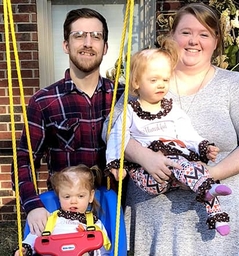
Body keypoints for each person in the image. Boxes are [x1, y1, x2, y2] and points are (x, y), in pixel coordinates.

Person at [105, 3, 239, 255]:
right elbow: (111, 130)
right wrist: (145, 157)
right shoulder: (148, 78)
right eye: (185, 32)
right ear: (172, 37)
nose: (193, 41)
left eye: (204, 34)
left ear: (216, 41)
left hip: (220, 228)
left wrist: (210, 174)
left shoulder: (234, 85)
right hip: (156, 224)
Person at [11, 7, 124, 237]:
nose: (88, 43)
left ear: (105, 47)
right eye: (79, 35)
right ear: (66, 45)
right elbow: (24, 160)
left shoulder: (122, 98)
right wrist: (32, 205)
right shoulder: (44, 102)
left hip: (113, 210)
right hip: (64, 216)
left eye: (96, 36)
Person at [105, 43, 232, 236]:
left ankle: (215, 212)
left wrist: (202, 146)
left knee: (195, 169)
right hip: (149, 176)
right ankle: (205, 189)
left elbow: (186, 132)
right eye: (154, 79)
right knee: (187, 170)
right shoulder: (130, 111)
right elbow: (117, 137)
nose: (161, 84)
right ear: (137, 82)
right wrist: (115, 163)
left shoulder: (171, 109)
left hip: (176, 171)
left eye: (165, 79)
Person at [14, 164, 111, 256]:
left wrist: (89, 249)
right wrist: (25, 248)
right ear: (59, 197)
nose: (73, 201)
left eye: (80, 196)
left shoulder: (94, 224)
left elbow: (104, 249)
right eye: (67, 196)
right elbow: (34, 236)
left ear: (91, 196)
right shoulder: (51, 219)